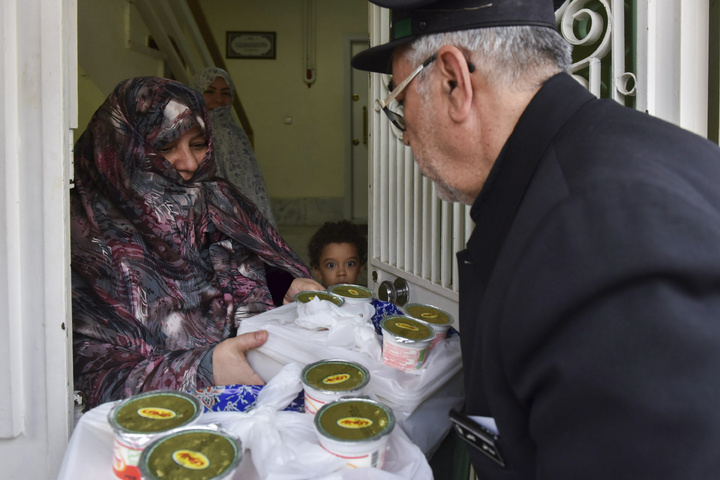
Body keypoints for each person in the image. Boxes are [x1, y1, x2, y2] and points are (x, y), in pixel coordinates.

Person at [352, 0, 720, 478]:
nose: (405, 137)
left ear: (453, 81)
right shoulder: (611, 157)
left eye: (399, 103)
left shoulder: (598, 242)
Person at [71, 76, 323, 408]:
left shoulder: (217, 197)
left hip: (258, 403)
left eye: (198, 143)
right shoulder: (84, 232)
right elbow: (89, 374)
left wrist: (284, 285)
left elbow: (243, 264)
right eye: (165, 147)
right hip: (156, 429)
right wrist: (203, 370)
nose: (190, 164)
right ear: (121, 146)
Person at [191, 67, 277, 226]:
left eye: (226, 93)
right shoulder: (184, 132)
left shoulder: (233, 134)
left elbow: (249, 188)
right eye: (209, 92)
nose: (218, 100)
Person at [308, 220, 367, 287]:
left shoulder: (367, 297)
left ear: (360, 268)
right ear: (318, 271)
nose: (341, 273)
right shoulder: (313, 297)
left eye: (350, 264)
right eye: (331, 265)